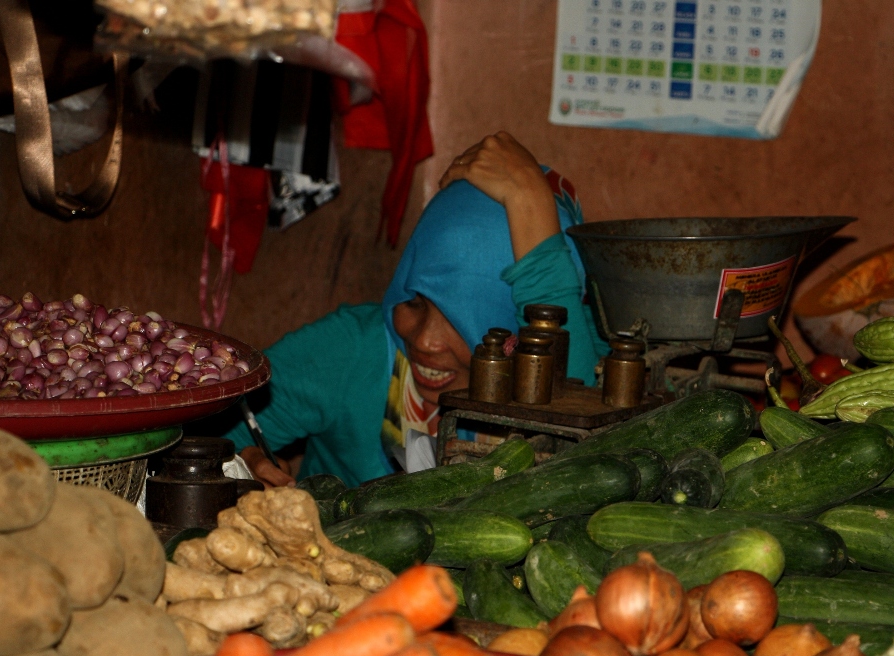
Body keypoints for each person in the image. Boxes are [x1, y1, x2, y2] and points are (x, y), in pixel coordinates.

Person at [223, 132, 608, 487]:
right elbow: (210, 425)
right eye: (414, 302)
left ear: (520, 323)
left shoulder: (594, 362)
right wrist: (245, 458)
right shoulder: (353, 352)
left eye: (464, 321)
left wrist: (530, 199)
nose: (424, 339)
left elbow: (586, 453)